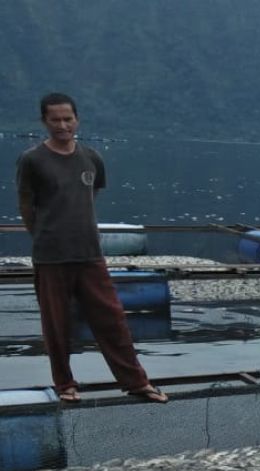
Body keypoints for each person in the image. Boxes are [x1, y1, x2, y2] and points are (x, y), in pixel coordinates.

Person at [15, 92, 167, 403]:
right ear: (44, 121)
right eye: (55, 119)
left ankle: (137, 381)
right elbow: (27, 206)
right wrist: (44, 235)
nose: (62, 125)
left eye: (67, 119)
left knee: (112, 319)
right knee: (56, 326)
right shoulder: (32, 160)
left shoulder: (91, 158)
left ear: (77, 119)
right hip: (51, 256)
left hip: (89, 254)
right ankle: (65, 385)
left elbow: (90, 194)